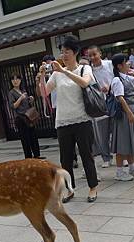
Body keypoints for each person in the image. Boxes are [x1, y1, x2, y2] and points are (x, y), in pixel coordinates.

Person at [37, 35, 99, 202]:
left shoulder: (84, 69)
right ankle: (69, 190)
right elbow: (43, 93)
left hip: (82, 119)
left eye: (67, 51)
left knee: (87, 156)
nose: (63, 55)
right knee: (65, 159)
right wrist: (41, 77)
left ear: (75, 52)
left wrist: (63, 71)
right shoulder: (56, 75)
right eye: (62, 52)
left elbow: (85, 83)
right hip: (62, 121)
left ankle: (93, 187)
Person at [109, 53, 134, 181]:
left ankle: (132, 168)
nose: (128, 64)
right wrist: (130, 113)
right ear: (119, 66)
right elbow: (120, 98)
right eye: (126, 62)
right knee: (122, 142)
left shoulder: (127, 77)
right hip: (124, 114)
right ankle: (119, 172)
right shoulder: (116, 80)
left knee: (129, 141)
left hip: (131, 111)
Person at [88, 45, 115, 168]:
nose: (93, 57)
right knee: (102, 133)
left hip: (114, 100)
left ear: (100, 53)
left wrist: (110, 88)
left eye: (95, 54)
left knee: (116, 130)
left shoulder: (110, 64)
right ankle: (106, 157)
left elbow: (117, 78)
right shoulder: (89, 70)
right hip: (99, 104)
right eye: (90, 55)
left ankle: (122, 155)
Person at [7, 74, 43, 159]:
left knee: (33, 136)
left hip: (29, 117)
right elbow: (13, 106)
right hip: (20, 118)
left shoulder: (23, 90)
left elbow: (27, 104)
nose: (15, 81)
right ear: (11, 81)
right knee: (25, 139)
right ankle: (28, 157)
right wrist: (20, 98)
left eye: (17, 79)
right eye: (13, 79)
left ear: (20, 80)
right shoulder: (11, 93)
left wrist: (30, 99)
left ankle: (37, 155)